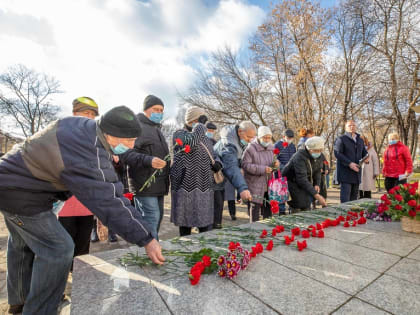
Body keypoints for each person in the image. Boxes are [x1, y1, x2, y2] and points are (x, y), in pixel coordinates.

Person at [0, 106, 165, 315]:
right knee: (58, 248)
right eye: (129, 140)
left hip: (10, 183)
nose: (131, 146)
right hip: (20, 194)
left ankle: (20, 302)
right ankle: (40, 310)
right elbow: (110, 201)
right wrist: (147, 239)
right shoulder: (90, 151)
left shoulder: (86, 130)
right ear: (111, 134)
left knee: (24, 244)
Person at [58, 97, 99, 267]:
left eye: (92, 114)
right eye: (85, 113)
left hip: (87, 203)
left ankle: (80, 277)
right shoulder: (62, 134)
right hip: (65, 204)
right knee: (64, 246)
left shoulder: (96, 140)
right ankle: (60, 276)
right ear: (74, 113)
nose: (89, 117)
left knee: (83, 246)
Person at [124, 95, 170, 240]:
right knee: (151, 218)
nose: (159, 112)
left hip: (159, 184)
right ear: (146, 110)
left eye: (161, 110)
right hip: (143, 184)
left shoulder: (157, 130)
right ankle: (152, 252)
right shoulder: (137, 128)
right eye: (155, 109)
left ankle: (148, 246)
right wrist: (148, 160)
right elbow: (126, 154)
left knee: (156, 219)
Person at [170, 107, 222, 236]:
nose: (204, 124)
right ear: (193, 120)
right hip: (185, 187)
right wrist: (199, 126)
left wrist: (218, 163)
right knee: (185, 225)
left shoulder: (205, 138)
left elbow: (214, 154)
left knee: (204, 226)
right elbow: (191, 143)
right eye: (201, 120)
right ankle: (185, 249)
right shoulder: (179, 134)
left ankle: (203, 250)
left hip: (204, 185)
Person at [214, 121, 256, 210]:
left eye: (252, 137)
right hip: (212, 182)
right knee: (215, 209)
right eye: (248, 137)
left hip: (219, 181)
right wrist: (242, 188)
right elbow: (231, 166)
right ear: (240, 131)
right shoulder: (229, 145)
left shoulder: (240, 142)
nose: (250, 140)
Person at [242, 126, 279, 222]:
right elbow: (245, 165)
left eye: (269, 138)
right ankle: (253, 229)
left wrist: (276, 165)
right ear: (259, 137)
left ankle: (267, 228)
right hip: (255, 183)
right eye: (265, 137)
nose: (267, 140)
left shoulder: (271, 148)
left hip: (268, 183)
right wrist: (263, 169)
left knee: (268, 206)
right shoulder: (251, 148)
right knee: (255, 208)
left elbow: (273, 165)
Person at [282, 136, 327, 211]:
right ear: (309, 149)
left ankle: (306, 216)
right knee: (299, 202)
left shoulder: (320, 155)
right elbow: (301, 179)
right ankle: (294, 215)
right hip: (292, 180)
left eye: (320, 150)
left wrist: (317, 184)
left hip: (304, 180)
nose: (318, 152)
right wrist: (317, 196)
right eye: (316, 150)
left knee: (307, 202)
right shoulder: (299, 157)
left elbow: (318, 170)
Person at [334, 120, 368, 203]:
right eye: (349, 125)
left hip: (356, 173)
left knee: (354, 199)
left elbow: (364, 152)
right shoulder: (341, 139)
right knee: (345, 199)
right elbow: (337, 153)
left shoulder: (360, 140)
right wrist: (349, 163)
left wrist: (366, 157)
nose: (352, 127)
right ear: (346, 128)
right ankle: (343, 215)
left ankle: (352, 215)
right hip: (345, 173)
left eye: (353, 125)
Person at [274, 129, 296, 214]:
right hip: (281, 172)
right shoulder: (277, 145)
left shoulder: (292, 146)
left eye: (291, 138)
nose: (290, 139)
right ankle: (281, 210)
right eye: (288, 137)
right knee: (281, 192)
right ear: (283, 137)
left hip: (290, 173)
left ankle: (291, 208)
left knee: (291, 191)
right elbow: (275, 160)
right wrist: (284, 167)